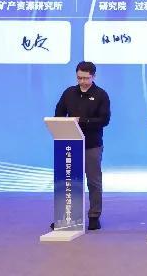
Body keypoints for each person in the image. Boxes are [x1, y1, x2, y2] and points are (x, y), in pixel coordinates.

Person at [53, 61, 111, 231]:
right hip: (70, 144)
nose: (83, 81)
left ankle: (94, 216)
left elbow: (104, 120)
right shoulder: (69, 93)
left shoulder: (101, 95)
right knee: (68, 182)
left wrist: (82, 121)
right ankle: (67, 216)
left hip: (92, 144)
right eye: (79, 78)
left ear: (94, 76)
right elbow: (59, 113)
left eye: (86, 78)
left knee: (93, 182)